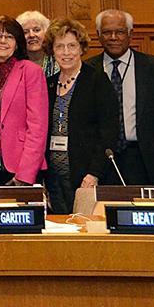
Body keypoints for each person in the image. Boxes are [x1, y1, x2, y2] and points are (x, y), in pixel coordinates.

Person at [86, 9, 154, 185]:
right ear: (98, 35)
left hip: (143, 159)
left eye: (119, 32)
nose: (113, 37)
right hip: (101, 159)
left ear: (130, 34)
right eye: (107, 32)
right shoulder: (88, 70)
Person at [43, 18, 118, 214]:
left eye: (71, 46)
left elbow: (108, 131)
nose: (66, 52)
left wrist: (95, 172)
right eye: (60, 47)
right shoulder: (48, 84)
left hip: (85, 175)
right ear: (52, 50)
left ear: (81, 48)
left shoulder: (96, 80)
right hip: (52, 178)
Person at [0, 16, 47, 185]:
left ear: (17, 43)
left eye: (9, 37)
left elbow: (37, 127)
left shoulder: (31, 71)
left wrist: (25, 175)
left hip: (19, 168)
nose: (3, 41)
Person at [17, 10, 59, 77]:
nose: (31, 35)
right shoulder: (15, 65)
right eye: (25, 32)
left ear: (46, 32)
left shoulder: (59, 61)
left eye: (36, 30)